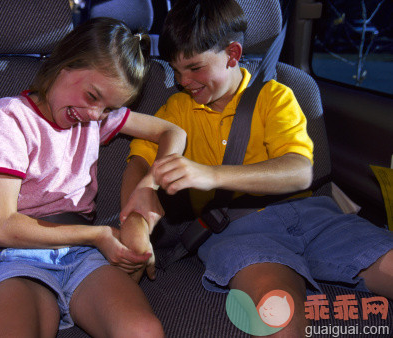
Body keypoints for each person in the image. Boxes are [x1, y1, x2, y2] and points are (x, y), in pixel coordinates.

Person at [120, 0, 393, 336]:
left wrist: (211, 174)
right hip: (237, 228)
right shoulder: (177, 109)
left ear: (233, 55)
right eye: (176, 70)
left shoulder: (275, 95)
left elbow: (299, 171)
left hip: (312, 215)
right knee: (279, 312)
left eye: (194, 68)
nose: (183, 80)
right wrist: (137, 207)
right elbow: (141, 158)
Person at [0, 17, 186, 337]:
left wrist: (149, 185)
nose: (96, 115)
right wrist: (96, 236)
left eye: (109, 108)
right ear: (65, 65)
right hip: (21, 254)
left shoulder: (93, 119)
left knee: (143, 331)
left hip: (84, 259)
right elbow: (0, 226)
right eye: (93, 96)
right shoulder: (10, 118)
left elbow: (172, 132)